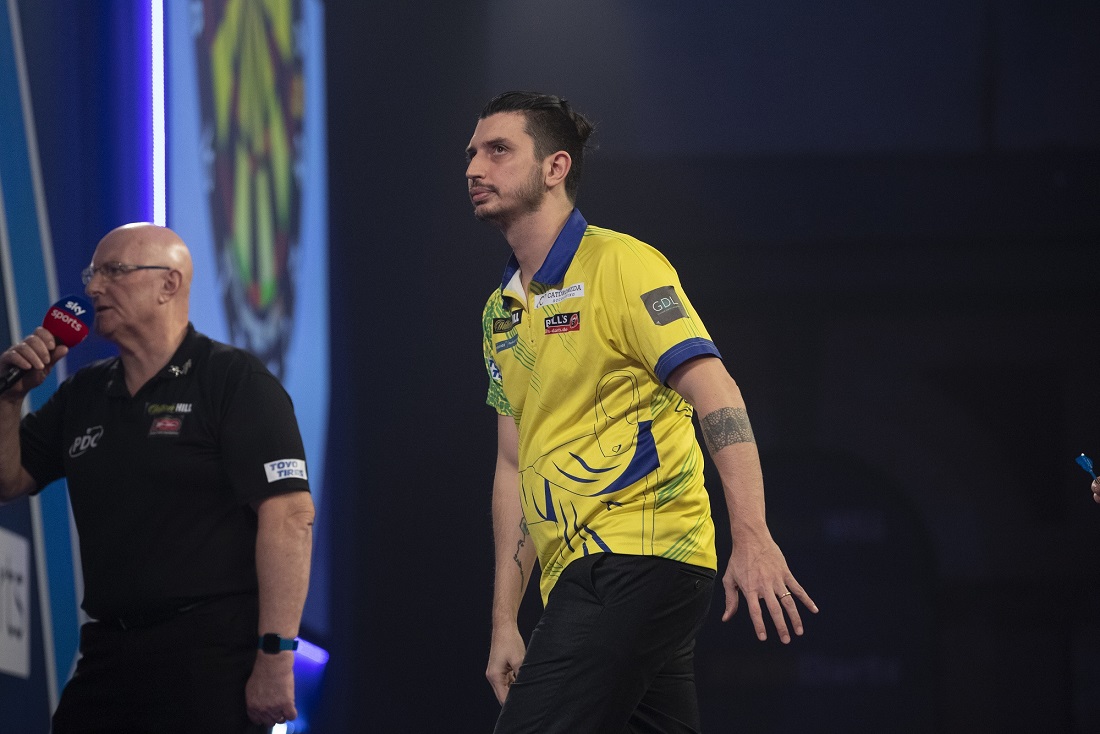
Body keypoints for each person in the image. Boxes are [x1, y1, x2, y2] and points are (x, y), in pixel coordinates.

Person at [469, 91, 818, 733]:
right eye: (472, 153)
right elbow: (513, 465)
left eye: (497, 151)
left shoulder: (622, 264)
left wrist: (753, 533)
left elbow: (716, 392)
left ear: (555, 167)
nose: (474, 168)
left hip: (638, 552)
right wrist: (503, 621)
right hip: (584, 573)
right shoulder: (500, 312)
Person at [0, 223, 314, 733]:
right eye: (91, 273)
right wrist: (10, 399)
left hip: (210, 654)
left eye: (113, 271)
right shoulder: (84, 393)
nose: (94, 287)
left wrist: (276, 657)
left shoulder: (233, 380)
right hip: (109, 649)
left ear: (169, 284)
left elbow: (291, 517)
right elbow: (9, 481)